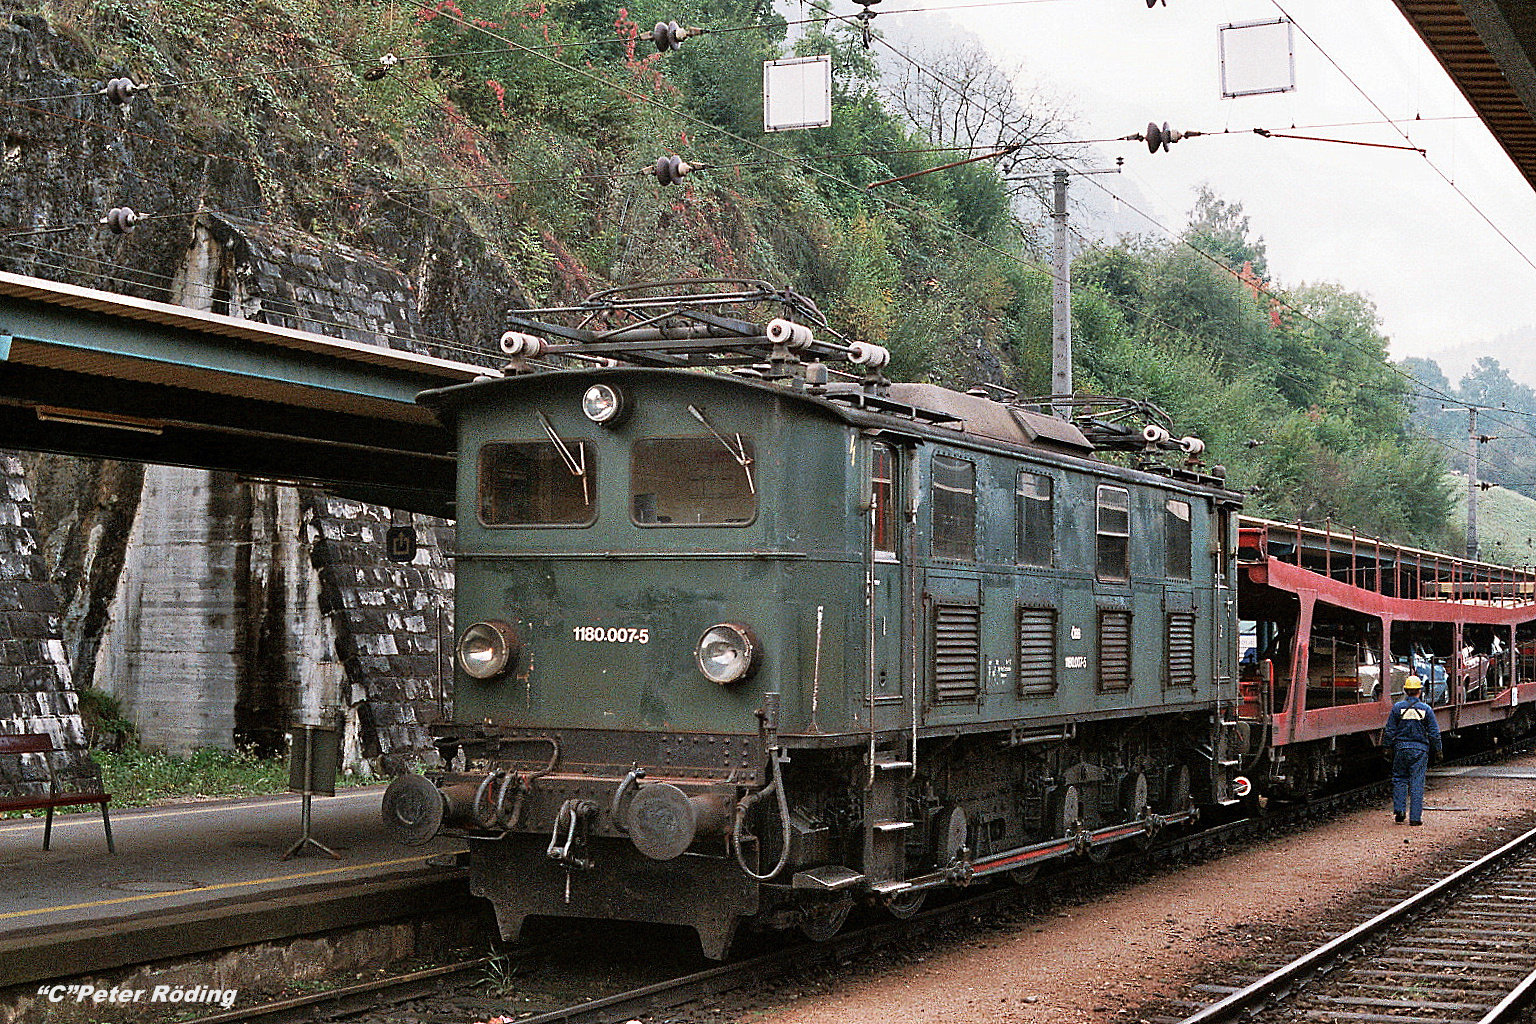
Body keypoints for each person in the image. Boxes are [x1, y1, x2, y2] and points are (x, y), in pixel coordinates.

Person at [1383, 675, 1442, 825]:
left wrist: (1387, 748)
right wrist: (1438, 750)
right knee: (1416, 782)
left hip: (1401, 748)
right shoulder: (1426, 710)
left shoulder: (1397, 708)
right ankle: (1415, 819)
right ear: (1419, 692)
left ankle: (1400, 810)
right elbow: (1434, 733)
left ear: (1405, 691)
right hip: (1420, 750)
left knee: (1399, 779)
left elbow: (1389, 730)